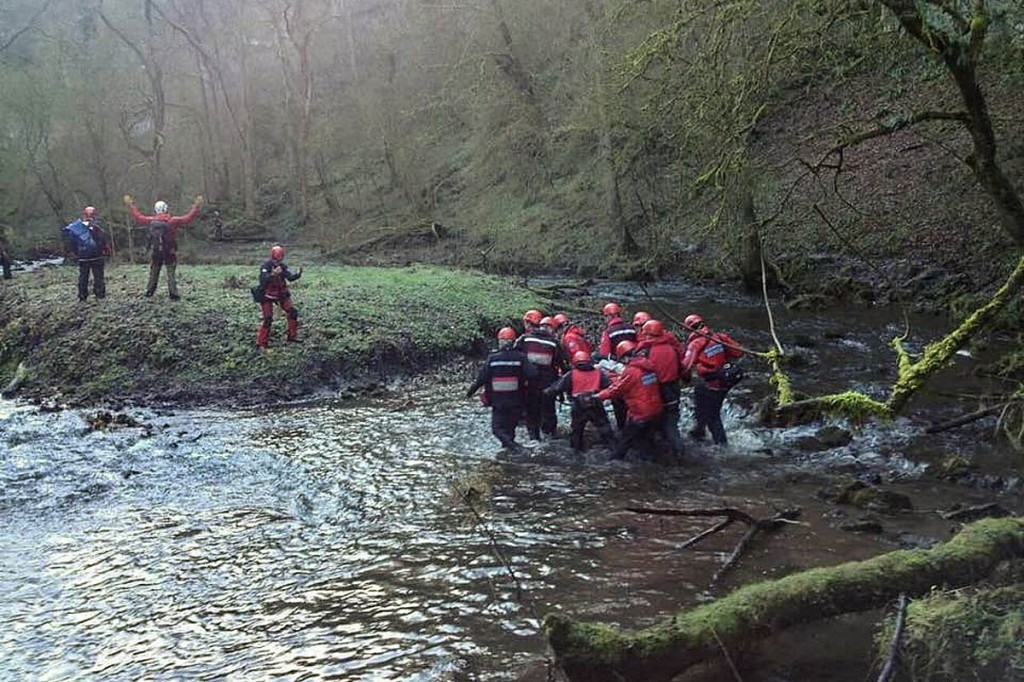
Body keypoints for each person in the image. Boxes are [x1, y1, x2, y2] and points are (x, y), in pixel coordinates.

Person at [467, 327, 538, 450]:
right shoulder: (521, 357)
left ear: (500, 341)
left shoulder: (493, 359)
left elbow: (481, 379)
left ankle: (517, 449)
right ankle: (511, 459)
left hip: (498, 403)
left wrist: (470, 392)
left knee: (497, 429)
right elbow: (532, 375)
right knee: (510, 431)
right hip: (517, 402)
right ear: (513, 341)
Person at [124, 194, 203, 299]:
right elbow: (187, 218)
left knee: (154, 271)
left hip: (156, 250)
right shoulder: (173, 220)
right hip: (169, 251)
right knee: (170, 272)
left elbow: (139, 217)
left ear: (156, 210)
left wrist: (131, 206)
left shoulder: (151, 220)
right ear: (166, 209)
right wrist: (196, 206)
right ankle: (173, 293)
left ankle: (149, 291)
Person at [681, 313, 744, 445]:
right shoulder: (719, 337)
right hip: (725, 380)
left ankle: (722, 445)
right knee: (699, 393)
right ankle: (699, 429)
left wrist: (683, 377)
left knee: (713, 417)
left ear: (689, 329)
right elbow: (739, 352)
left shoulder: (696, 344)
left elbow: (686, 367)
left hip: (713, 383)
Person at [595, 340, 663, 461]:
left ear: (625, 357)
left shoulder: (631, 371)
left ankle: (613, 463)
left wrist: (598, 396)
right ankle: (652, 464)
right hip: (655, 411)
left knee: (624, 443)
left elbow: (616, 390)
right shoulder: (649, 365)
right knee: (646, 442)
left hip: (640, 414)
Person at [544, 350, 614, 452]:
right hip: (596, 404)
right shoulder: (599, 374)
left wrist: (545, 392)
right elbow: (611, 387)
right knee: (606, 431)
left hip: (578, 406)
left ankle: (577, 453)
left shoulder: (571, 374)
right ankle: (613, 451)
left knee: (576, 433)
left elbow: (556, 388)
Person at [638, 319, 686, 458]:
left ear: (647, 334)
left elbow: (639, 373)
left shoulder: (646, 350)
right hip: (673, 389)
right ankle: (678, 451)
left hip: (657, 391)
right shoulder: (671, 347)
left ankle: (651, 456)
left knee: (650, 424)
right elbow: (681, 366)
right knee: (671, 423)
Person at [514, 315, 566, 440]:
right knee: (549, 412)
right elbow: (562, 365)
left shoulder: (524, 339)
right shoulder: (554, 343)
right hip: (548, 384)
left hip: (529, 383)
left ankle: (534, 438)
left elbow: (514, 357)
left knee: (531, 413)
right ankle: (550, 437)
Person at [597, 302, 637, 429]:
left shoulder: (608, 332)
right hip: (634, 365)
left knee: (618, 399)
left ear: (609, 316)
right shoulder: (631, 327)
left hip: (617, 369)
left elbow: (604, 353)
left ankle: (621, 427)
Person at [254, 245, 303, 348]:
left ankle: (292, 336)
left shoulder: (283, 266)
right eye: (276, 260)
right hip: (267, 295)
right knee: (268, 319)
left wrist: (298, 274)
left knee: (292, 312)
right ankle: (261, 342)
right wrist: (273, 274)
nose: (278, 262)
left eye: (280, 260)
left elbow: (289, 277)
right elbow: (263, 279)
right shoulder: (265, 266)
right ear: (272, 258)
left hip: (281, 293)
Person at [62, 206, 112, 301]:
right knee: (98, 276)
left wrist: (75, 254)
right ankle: (100, 295)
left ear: (84, 215)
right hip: (97, 256)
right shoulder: (98, 227)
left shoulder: (75, 228)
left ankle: (82, 296)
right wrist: (106, 251)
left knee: (83, 277)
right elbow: (103, 240)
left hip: (83, 257)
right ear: (94, 215)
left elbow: (71, 243)